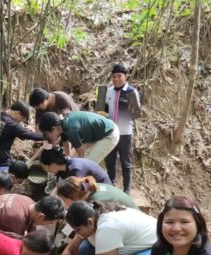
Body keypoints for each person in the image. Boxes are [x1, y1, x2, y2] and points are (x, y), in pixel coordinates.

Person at [101, 64, 141, 193]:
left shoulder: (131, 91)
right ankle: (111, 185)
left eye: (119, 76)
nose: (116, 79)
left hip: (125, 133)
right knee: (110, 160)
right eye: (114, 76)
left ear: (126, 76)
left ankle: (127, 189)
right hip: (111, 132)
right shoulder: (108, 91)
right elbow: (102, 109)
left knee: (126, 162)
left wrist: (129, 106)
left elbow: (136, 114)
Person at [0, 101, 46, 171]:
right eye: (22, 118)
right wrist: (49, 135)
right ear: (18, 113)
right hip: (0, 161)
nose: (20, 121)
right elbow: (31, 135)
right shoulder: (11, 125)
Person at [38, 111, 120, 165]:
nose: (46, 137)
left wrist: (72, 167)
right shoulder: (62, 124)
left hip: (109, 134)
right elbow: (66, 143)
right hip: (97, 134)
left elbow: (81, 153)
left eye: (46, 134)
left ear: (53, 129)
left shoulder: (71, 130)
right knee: (74, 160)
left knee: (87, 164)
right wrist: (67, 160)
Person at [0, 193, 65, 237]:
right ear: (41, 216)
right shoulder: (17, 219)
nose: (47, 225)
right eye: (49, 223)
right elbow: (13, 248)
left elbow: (31, 227)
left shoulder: (27, 201)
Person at [39, 146, 111, 184]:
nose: (46, 171)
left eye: (45, 167)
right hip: (87, 187)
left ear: (53, 165)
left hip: (102, 188)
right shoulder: (62, 168)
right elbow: (59, 188)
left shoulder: (75, 170)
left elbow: (81, 191)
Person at [56, 176, 137, 209]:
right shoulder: (89, 187)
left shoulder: (95, 204)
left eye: (63, 199)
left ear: (74, 197)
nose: (63, 203)